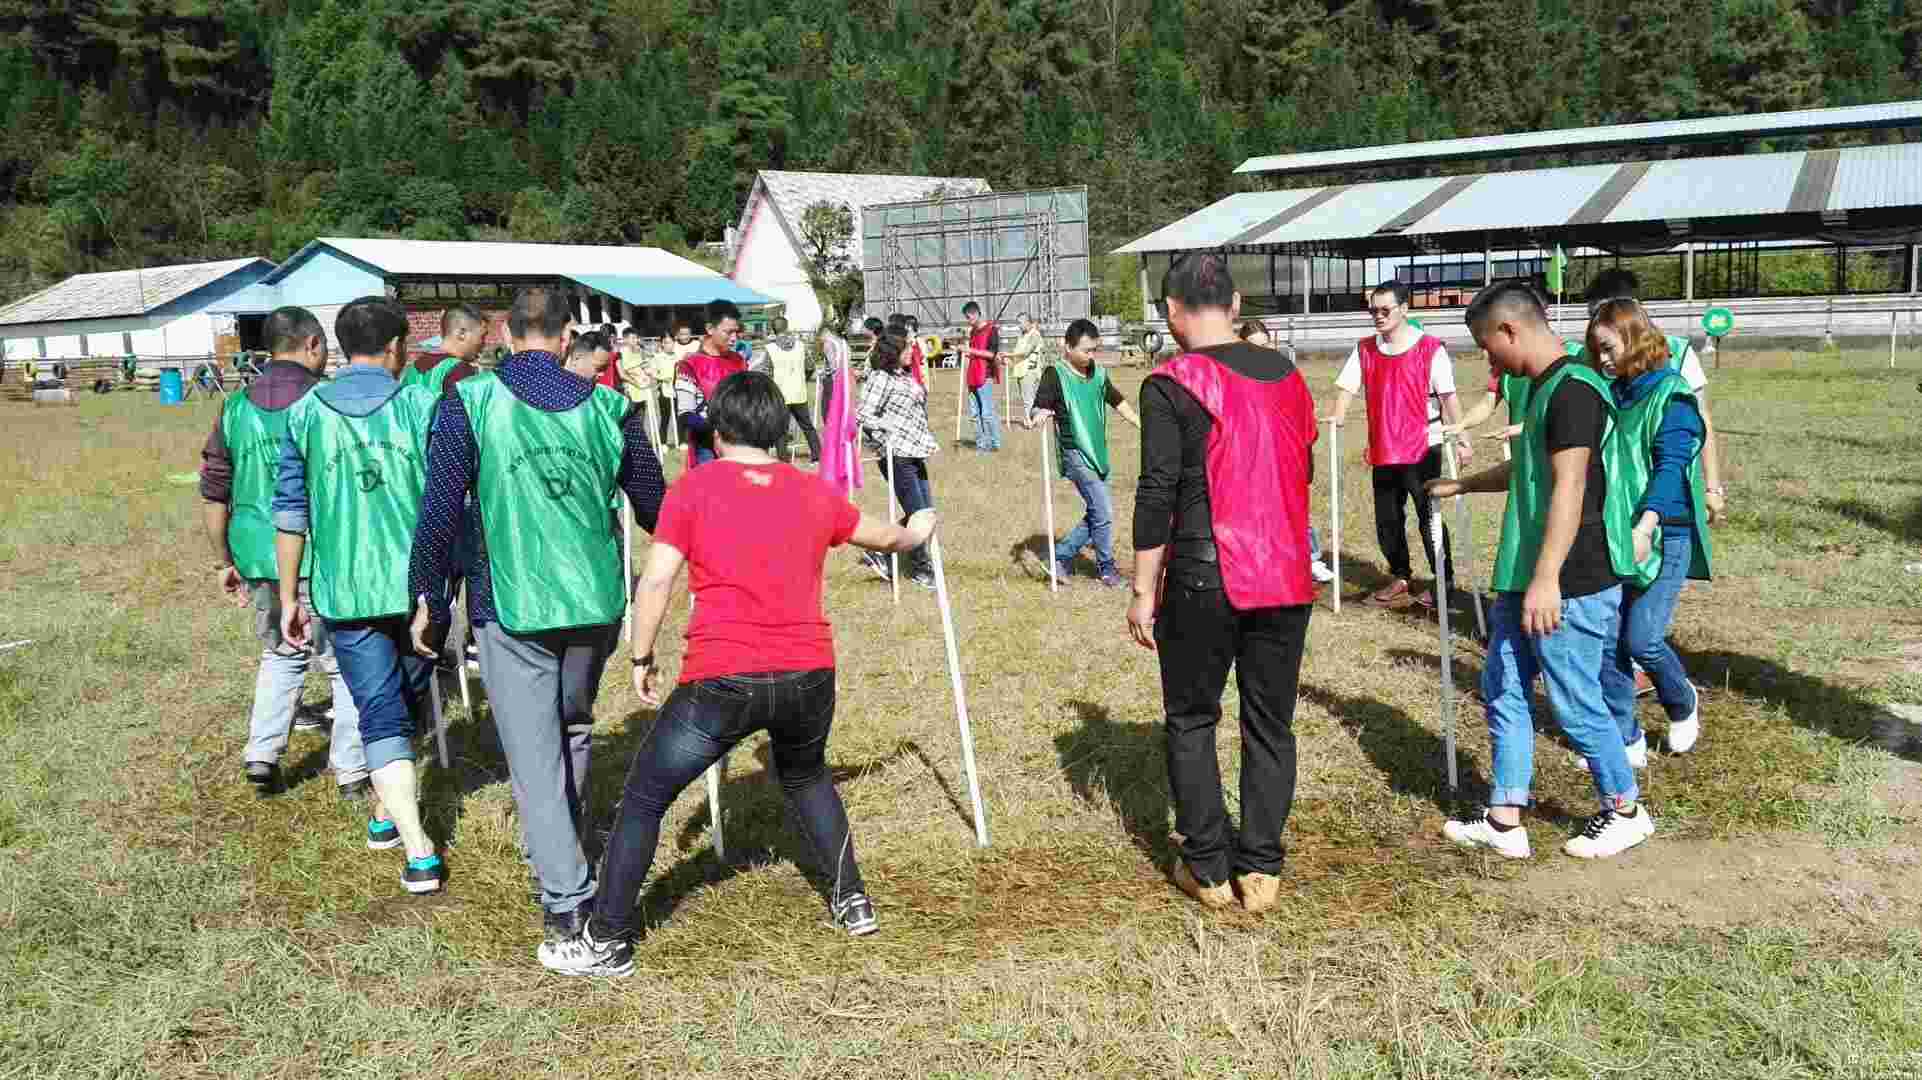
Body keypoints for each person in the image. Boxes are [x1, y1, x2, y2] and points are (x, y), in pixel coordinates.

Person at [537, 372, 938, 976]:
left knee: (644, 798)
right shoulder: (812, 489)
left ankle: (607, 939)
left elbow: (657, 580)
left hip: (722, 678)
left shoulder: (694, 489)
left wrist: (641, 656)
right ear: (777, 430)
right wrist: (916, 531)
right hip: (809, 675)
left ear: (718, 432)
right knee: (807, 778)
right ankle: (853, 900)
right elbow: (879, 537)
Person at [407, 285, 668, 946]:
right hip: (594, 603)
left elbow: (439, 508)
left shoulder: (471, 401)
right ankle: (563, 850)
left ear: (504, 334)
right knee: (571, 727)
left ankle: (566, 898)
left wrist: (428, 595)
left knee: (534, 755)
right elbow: (655, 506)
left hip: (510, 601)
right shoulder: (610, 408)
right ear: (566, 337)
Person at [1428, 281, 1652, 861]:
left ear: (1511, 329)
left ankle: (1625, 810)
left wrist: (1548, 578)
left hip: (1569, 580)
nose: (1489, 360)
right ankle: (1505, 820)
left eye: (1488, 346)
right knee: (1503, 686)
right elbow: (1529, 467)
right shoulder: (1541, 388)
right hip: (1524, 574)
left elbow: (1570, 487)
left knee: (1575, 701)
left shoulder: (1575, 389)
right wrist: (1462, 485)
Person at [1128, 252, 1318, 914]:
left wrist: (1142, 590)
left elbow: (1157, 492)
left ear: (1172, 312)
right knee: (1271, 721)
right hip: (1286, 572)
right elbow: (1303, 469)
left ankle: (1208, 868)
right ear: (1235, 305)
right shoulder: (1288, 375)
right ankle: (1261, 868)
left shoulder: (1169, 382)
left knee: (1191, 718)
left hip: (1202, 575)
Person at [272, 297, 443, 893]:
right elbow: (448, 501)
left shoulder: (304, 414)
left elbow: (290, 512)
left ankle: (385, 810)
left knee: (384, 709)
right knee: (398, 707)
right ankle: (419, 848)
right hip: (419, 589)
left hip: (343, 590)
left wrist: (289, 597)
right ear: (396, 347)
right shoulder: (422, 405)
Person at [201, 305, 374, 822]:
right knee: (344, 665)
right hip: (321, 553)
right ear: (314, 345)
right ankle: (351, 770)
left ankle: (262, 754)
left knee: (281, 653)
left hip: (258, 554)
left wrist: (222, 560)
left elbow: (214, 490)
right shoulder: (325, 402)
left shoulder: (234, 408)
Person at [1587, 300, 1712, 757]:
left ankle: (1681, 701)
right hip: (1614, 530)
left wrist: (1646, 525)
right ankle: (1626, 738)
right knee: (1607, 642)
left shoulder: (1672, 394)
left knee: (1642, 639)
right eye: (1596, 350)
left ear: (1635, 339)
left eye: (1608, 347)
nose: (1601, 358)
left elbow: (1672, 467)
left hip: (1664, 532)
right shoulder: (1610, 394)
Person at [1325, 280, 1469, 608]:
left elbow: (1449, 397)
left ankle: (1443, 579)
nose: (1378, 316)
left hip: (1423, 446)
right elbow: (1346, 388)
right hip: (1384, 447)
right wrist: (1337, 417)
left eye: (1385, 310)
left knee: (1428, 515)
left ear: (1404, 309)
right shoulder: (1365, 349)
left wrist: (1462, 438)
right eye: (1373, 311)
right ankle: (1401, 575)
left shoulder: (1430, 348)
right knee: (1387, 519)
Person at [1030, 318, 1141, 587]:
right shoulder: (1055, 374)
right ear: (1068, 347)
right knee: (1103, 511)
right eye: (1086, 350)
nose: (1091, 356)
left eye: (1094, 350)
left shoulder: (1099, 374)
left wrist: (1140, 423)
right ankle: (1106, 569)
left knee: (1097, 512)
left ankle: (1059, 557)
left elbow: (1116, 400)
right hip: (1075, 453)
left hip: (1097, 452)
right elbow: (1040, 404)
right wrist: (1039, 414)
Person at [1238, 319, 1337, 585]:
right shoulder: (1236, 378)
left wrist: (1306, 453)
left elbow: (1304, 415)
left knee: (1295, 509)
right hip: (1253, 459)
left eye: (1264, 345)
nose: (1260, 352)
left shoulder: (1286, 373)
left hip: (1287, 457)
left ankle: (1311, 559)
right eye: (1252, 347)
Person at [855, 332, 939, 589]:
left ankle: (879, 549)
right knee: (919, 514)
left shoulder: (903, 375)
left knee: (926, 512)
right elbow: (862, 414)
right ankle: (920, 568)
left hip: (915, 450)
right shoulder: (880, 377)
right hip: (896, 453)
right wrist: (886, 428)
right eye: (906, 349)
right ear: (893, 352)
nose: (910, 352)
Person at [676, 300, 749, 467]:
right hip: (706, 449)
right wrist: (718, 431)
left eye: (736, 332)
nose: (734, 338)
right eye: (728, 332)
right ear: (710, 329)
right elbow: (686, 414)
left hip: (741, 446)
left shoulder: (739, 361)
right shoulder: (689, 365)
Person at [764, 316, 820, 463]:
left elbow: (766, 373)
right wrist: (802, 379)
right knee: (807, 426)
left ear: (773, 330)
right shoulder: (801, 345)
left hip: (780, 394)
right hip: (799, 391)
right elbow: (810, 366)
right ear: (787, 327)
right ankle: (817, 455)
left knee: (781, 429)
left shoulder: (770, 348)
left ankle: (783, 459)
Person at [402, 306, 488, 398]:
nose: (484, 343)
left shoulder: (412, 369)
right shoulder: (460, 370)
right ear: (462, 334)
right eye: (482, 337)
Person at [954, 301, 1003, 451]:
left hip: (984, 376)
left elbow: (991, 354)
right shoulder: (973, 332)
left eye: (968, 317)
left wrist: (971, 350)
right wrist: (965, 352)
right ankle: (981, 444)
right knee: (975, 414)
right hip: (972, 375)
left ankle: (994, 444)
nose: (968, 321)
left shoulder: (991, 330)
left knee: (987, 413)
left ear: (975, 314)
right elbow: (974, 353)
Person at [1009, 312, 1047, 425]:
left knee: (1028, 399)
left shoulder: (1034, 335)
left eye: (1020, 323)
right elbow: (1017, 353)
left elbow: (1026, 352)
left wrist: (1008, 355)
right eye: (1018, 323)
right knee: (1029, 398)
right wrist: (1009, 359)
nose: (1019, 326)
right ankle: (1034, 419)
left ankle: (1029, 421)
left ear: (1028, 322)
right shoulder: (1022, 336)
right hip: (1021, 370)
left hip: (1030, 371)